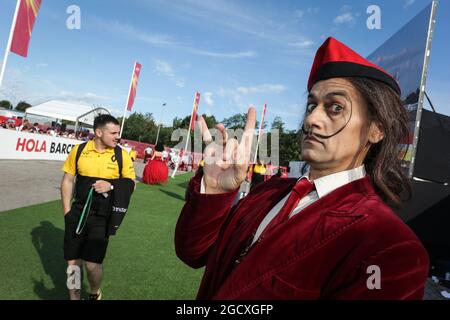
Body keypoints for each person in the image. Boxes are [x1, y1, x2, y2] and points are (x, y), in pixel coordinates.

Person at [175, 37, 429, 299]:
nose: (311, 119)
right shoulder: (267, 192)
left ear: (377, 129)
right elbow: (193, 253)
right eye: (311, 105)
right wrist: (215, 192)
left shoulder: (389, 245)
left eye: (335, 108)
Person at [61, 114, 136, 300]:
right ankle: (74, 297)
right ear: (98, 132)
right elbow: (68, 181)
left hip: (103, 215)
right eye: (113, 133)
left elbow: (131, 183)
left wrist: (111, 186)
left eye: (118, 132)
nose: (117, 136)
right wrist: (67, 212)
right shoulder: (79, 150)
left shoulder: (121, 155)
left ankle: (94, 293)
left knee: (92, 265)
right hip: (77, 212)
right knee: (73, 263)